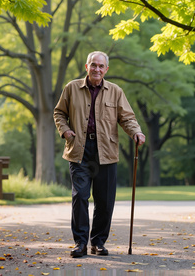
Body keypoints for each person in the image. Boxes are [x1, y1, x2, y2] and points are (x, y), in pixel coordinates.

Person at [54, 51, 146, 258]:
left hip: (106, 151)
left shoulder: (115, 91)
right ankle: (80, 243)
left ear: (106, 69)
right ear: (86, 67)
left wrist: (136, 132)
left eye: (101, 66)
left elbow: (127, 118)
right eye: (93, 65)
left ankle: (98, 242)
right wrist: (65, 130)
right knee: (80, 197)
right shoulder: (71, 88)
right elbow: (59, 112)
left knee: (105, 201)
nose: (97, 69)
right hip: (79, 150)